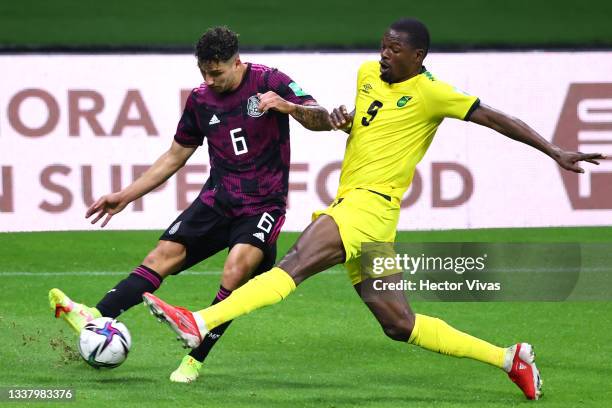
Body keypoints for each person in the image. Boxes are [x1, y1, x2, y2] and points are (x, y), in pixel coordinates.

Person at [141, 18, 605, 400]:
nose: (384, 55)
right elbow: (331, 121)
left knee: (293, 265)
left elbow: (496, 118)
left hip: (369, 208)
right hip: (369, 220)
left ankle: (200, 321)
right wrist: (335, 118)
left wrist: (554, 151)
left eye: (395, 50)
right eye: (383, 46)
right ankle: (510, 358)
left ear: (418, 57)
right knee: (400, 324)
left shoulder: (432, 93)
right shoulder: (366, 75)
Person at [48, 26, 331, 383]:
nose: (210, 80)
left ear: (237, 63)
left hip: (263, 205)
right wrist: (126, 195)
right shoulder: (200, 99)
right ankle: (95, 316)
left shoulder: (269, 80)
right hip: (218, 199)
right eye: (204, 72)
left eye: (217, 72)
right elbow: (174, 157)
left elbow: (323, 118)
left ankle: (194, 359)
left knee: (234, 271)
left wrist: (288, 106)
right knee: (160, 256)